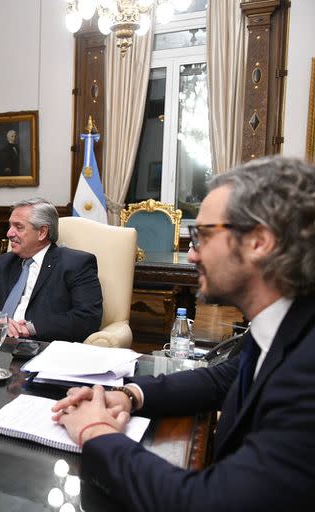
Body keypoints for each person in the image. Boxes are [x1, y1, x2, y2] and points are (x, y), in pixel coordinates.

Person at [51, 156, 315, 511]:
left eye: (202, 236)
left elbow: (203, 503)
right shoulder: (286, 319)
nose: (191, 255)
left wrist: (94, 431)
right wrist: (130, 395)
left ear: (259, 241)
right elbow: (225, 379)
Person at [0, 197, 102, 342]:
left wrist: (30, 328)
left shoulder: (75, 264)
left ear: (42, 232)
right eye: (10, 226)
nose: (9, 233)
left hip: (41, 347)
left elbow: (87, 318)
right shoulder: (6, 261)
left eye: (18, 227)